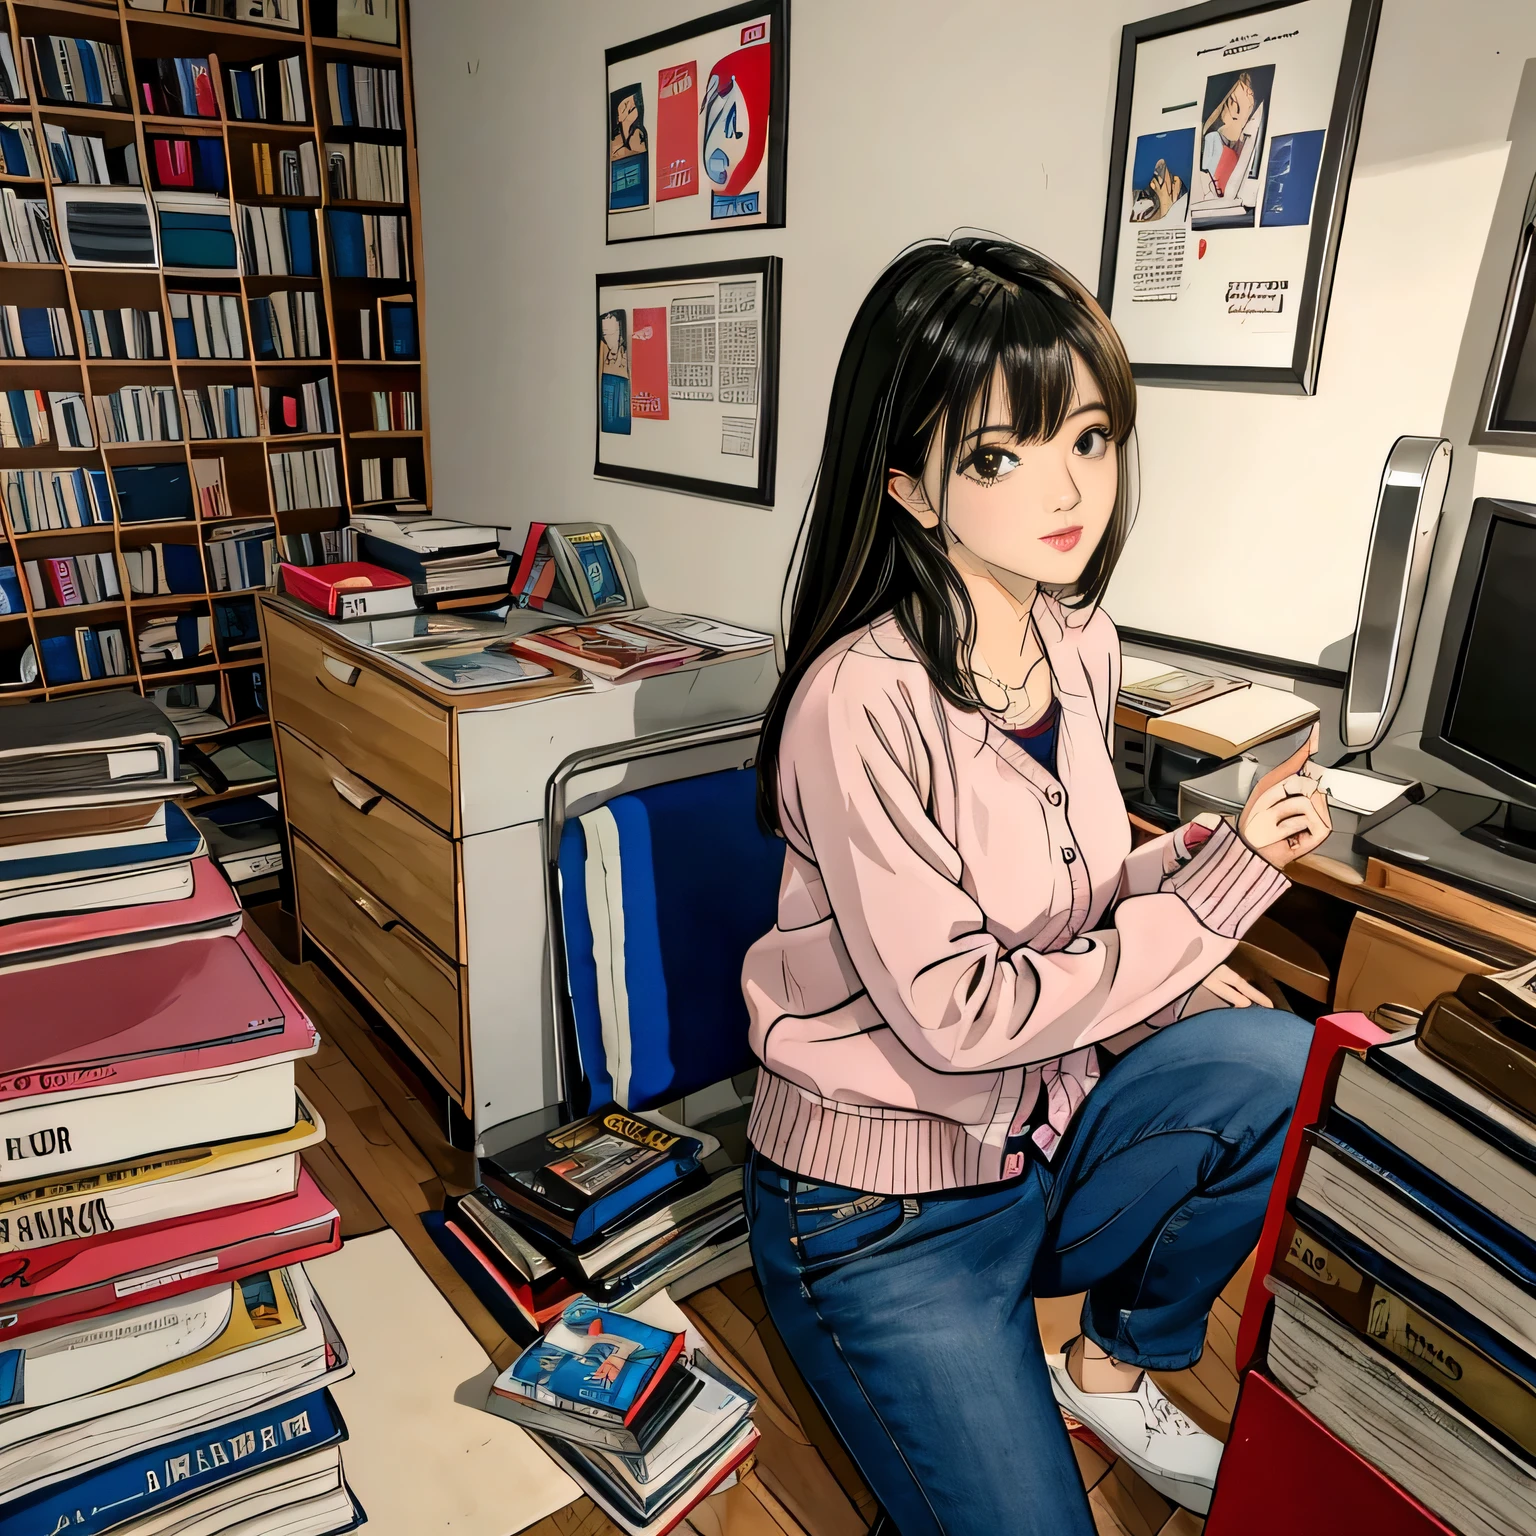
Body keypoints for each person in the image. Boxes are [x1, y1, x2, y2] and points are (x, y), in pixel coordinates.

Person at [741, 235, 1330, 1536]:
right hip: (880, 1217)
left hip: (1038, 1150)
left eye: (1090, 440)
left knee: (1282, 1064)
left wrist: (1190, 877)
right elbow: (957, 1011)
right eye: (1000, 457)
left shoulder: (1080, 642)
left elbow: (1071, 892)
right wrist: (1210, 910)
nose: (1068, 490)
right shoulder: (857, 704)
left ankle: (1110, 1365)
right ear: (906, 482)